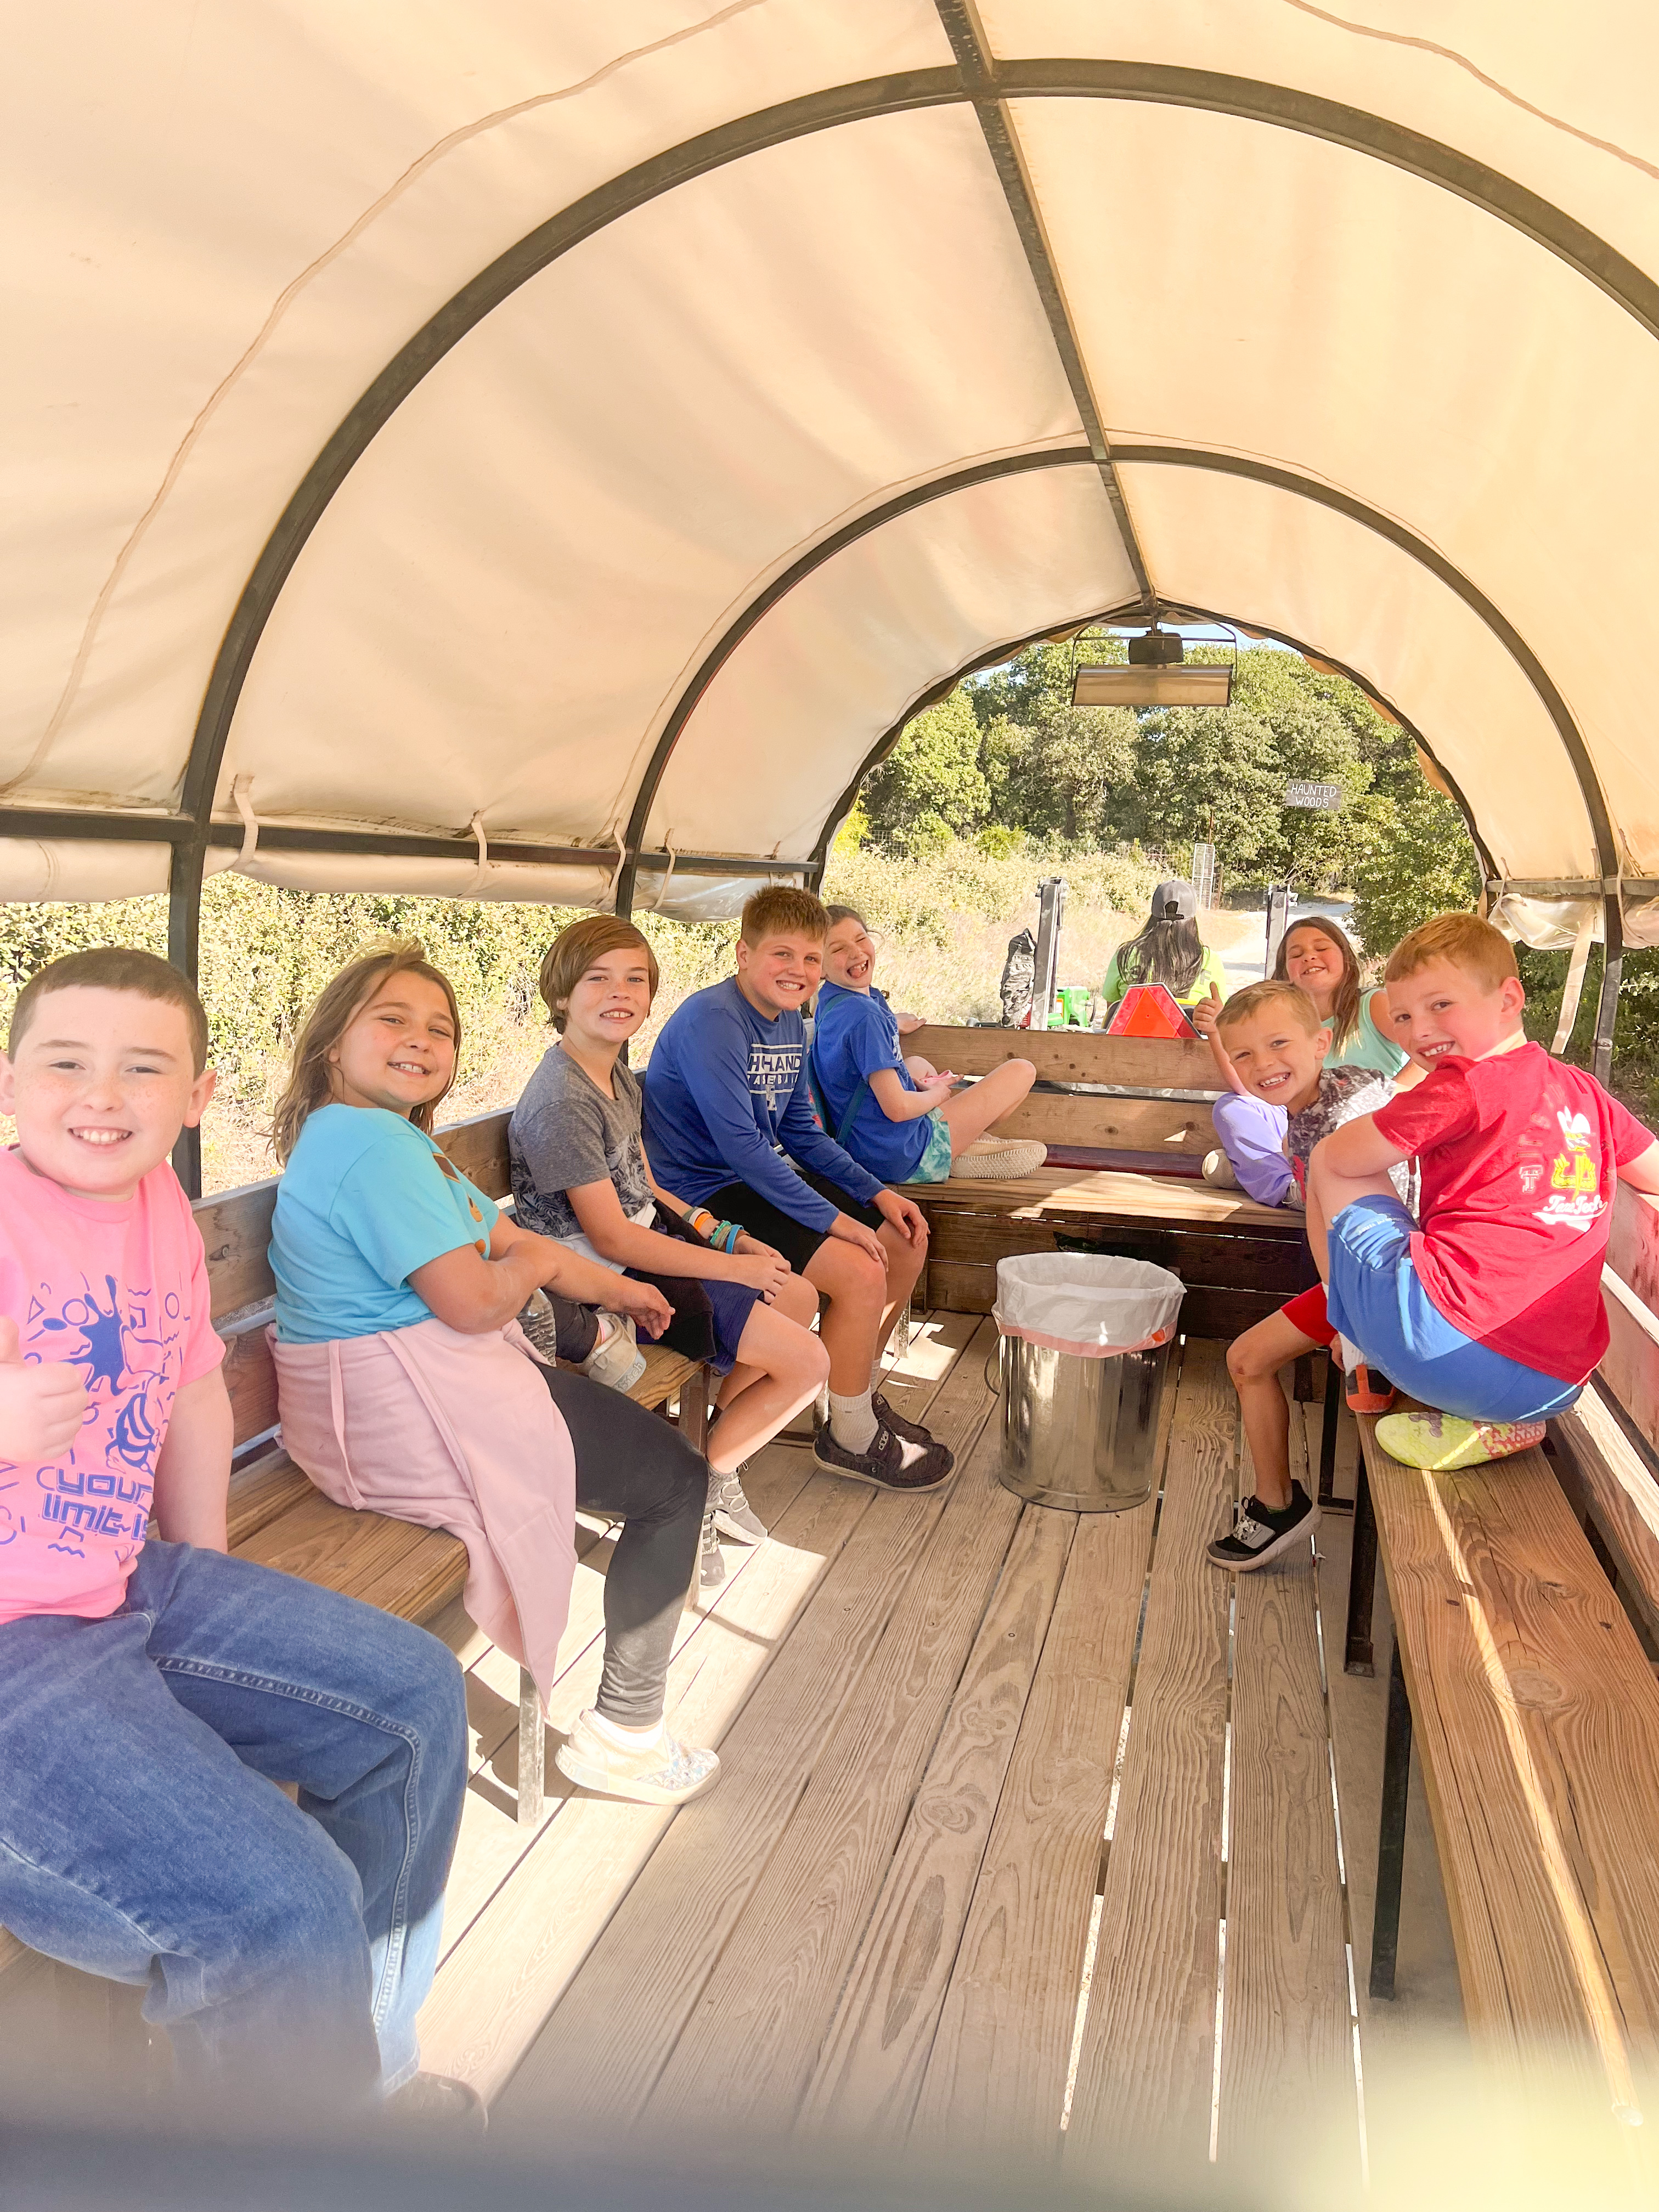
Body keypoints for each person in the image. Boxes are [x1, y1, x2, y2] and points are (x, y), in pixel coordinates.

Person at [0, 948, 473, 2120]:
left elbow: (191, 1389)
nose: (101, 1095)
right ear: (9, 1082)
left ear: (197, 1097)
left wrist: (201, 1575)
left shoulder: (155, 1200)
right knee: (278, 1909)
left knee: (411, 1702)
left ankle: (349, 2073)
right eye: (66, 1063)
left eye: (142, 1068)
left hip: (126, 1585)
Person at [268, 939, 718, 1809]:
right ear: (333, 1043)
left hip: (414, 1386)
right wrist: (539, 1275)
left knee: (651, 1454)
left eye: (439, 1029)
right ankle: (626, 1736)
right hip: (405, 1405)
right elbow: (480, 1299)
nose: (421, 1041)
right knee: (675, 1482)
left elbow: (517, 1242)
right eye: (392, 1019)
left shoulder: (386, 1140)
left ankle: (624, 1728)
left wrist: (616, 1287)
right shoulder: (372, 1147)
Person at [510, 916, 829, 1560]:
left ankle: (715, 1465)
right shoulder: (562, 1101)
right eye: (597, 979)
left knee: (797, 1297)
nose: (619, 992)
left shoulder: (613, 1071)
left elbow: (644, 1181)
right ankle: (702, 1482)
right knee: (809, 1364)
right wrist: (733, 1274)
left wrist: (725, 1236)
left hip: (643, 1248)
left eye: (635, 979)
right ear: (562, 994)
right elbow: (613, 1238)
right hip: (606, 1283)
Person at [1305, 911, 1659, 1474]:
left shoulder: (1462, 1083)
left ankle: (1353, 1339)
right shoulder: (1585, 1093)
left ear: (1509, 999)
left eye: (1440, 1006)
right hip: (1558, 1386)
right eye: (1402, 1016)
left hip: (1444, 1355)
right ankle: (1497, 1422)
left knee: (1327, 1157)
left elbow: (1344, 1158)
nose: (1419, 1031)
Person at [641, 887, 951, 1491]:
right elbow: (744, 1151)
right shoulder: (714, 1022)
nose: (799, 972)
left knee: (904, 1235)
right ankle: (849, 1436)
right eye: (782, 955)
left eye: (811, 960)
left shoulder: (790, 1022)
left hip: (752, 1177)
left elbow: (799, 1132)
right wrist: (841, 1224)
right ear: (743, 954)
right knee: (862, 1266)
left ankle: (849, 1396)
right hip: (700, 1195)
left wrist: (877, 1196)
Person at [1201, 980, 1403, 1570]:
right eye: (1243, 1054)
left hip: (1390, 1286)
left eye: (1278, 1044)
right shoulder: (1343, 1088)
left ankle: (1277, 1507)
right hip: (1367, 1276)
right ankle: (1277, 1502)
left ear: (1321, 1043)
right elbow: (1325, 1215)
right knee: (1248, 1359)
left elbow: (1369, 1216)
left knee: (1247, 1360)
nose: (1263, 1064)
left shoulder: (1333, 1119)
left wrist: (1350, 1322)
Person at [810, 905, 1046, 1186]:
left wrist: (891, 1022)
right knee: (1022, 1070)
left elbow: (853, 1035)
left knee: (919, 1064)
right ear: (818, 966)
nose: (856, 952)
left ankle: (962, 1142)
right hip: (898, 1156)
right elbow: (897, 1109)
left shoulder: (833, 1001)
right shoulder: (866, 1018)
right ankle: (954, 1152)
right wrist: (939, 1094)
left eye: (861, 940)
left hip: (860, 1144)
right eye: (838, 949)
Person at [1197, 912, 1412, 1205]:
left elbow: (1424, 1051)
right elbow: (1248, 1086)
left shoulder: (1372, 1003)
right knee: (1232, 1108)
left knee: (1321, 1138)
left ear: (1346, 958)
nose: (1309, 957)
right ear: (1286, 973)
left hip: (1367, 1122)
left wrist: (1389, 1093)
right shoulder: (1274, 1019)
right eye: (1296, 954)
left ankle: (1258, 1173)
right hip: (1298, 1117)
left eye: (1321, 948)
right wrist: (1216, 1032)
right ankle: (1289, 1187)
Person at [1099, 879, 1229, 1017]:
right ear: (1192, 920)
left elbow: (1112, 1012)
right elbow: (1221, 1016)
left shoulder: (1125, 955)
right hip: (1189, 1038)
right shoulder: (1210, 960)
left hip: (1133, 1038)